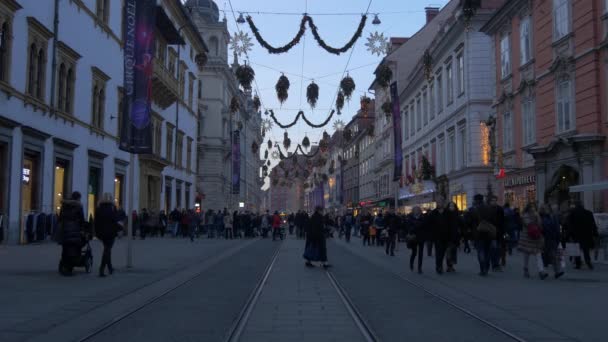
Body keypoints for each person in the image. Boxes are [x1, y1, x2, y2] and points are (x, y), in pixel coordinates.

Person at [57, 191, 87, 276]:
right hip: (74, 230)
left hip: (64, 229)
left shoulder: (64, 205)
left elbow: (60, 217)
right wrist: (83, 229)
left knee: (65, 248)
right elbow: (81, 219)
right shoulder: (78, 206)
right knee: (73, 249)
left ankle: (62, 266)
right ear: (78, 198)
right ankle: (68, 269)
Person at [518, 203, 548, 279]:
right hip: (527, 237)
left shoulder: (536, 215)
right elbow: (528, 224)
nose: (533, 209)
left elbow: (540, 225)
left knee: (538, 254)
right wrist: (535, 217)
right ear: (528, 208)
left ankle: (541, 271)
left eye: (534, 207)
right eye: (532, 208)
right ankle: (525, 269)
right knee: (526, 255)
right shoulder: (525, 215)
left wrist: (537, 217)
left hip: (535, 237)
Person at [94, 193, 119, 277]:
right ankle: (102, 269)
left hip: (101, 232)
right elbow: (115, 220)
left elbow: (96, 222)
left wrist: (97, 233)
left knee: (107, 249)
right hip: (111, 232)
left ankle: (110, 267)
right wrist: (118, 231)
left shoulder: (98, 208)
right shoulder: (112, 208)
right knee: (107, 250)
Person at [568, 201, 597, 270]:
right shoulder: (588, 213)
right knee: (586, 249)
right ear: (583, 206)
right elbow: (593, 224)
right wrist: (595, 233)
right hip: (586, 234)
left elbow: (570, 225)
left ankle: (578, 264)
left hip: (576, 234)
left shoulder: (572, 214)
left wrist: (569, 234)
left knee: (577, 249)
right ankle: (588, 262)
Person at [540, 204, 564, 279]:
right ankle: (545, 271)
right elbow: (539, 228)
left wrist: (558, 238)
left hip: (551, 238)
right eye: (544, 208)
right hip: (543, 239)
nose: (545, 210)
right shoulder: (540, 217)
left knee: (552, 255)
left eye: (546, 208)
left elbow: (557, 228)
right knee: (544, 256)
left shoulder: (553, 217)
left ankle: (555, 271)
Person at [427, 199, 450, 274]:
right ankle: (439, 266)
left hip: (446, 236)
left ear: (443, 203)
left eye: (441, 202)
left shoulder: (448, 212)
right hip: (437, 236)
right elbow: (429, 224)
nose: (439, 203)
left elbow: (452, 224)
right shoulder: (433, 213)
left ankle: (440, 265)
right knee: (438, 252)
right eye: (438, 202)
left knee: (443, 252)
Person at [407, 206, 426, 273]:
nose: (417, 211)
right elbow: (408, 227)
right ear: (413, 211)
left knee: (421, 253)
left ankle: (419, 268)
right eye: (415, 210)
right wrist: (416, 226)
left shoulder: (423, 217)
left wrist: (416, 226)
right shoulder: (410, 218)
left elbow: (424, 226)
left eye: (418, 210)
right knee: (414, 252)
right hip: (414, 237)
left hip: (421, 237)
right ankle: (411, 263)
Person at [445, 202, 462, 272]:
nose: (451, 207)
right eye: (450, 206)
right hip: (447, 236)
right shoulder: (445, 215)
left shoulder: (457, 215)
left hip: (455, 236)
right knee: (449, 251)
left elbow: (461, 225)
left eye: (453, 206)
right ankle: (449, 266)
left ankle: (451, 265)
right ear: (448, 207)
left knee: (454, 251)